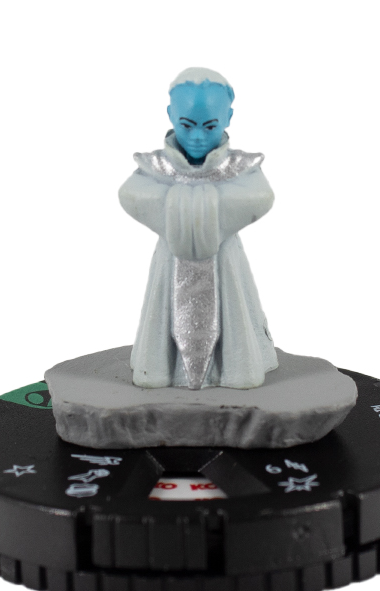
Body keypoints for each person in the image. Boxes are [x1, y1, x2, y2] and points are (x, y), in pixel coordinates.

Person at [119, 67, 277, 390]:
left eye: (210, 126)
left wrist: (202, 204)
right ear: (170, 116)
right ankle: (163, 367)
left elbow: (261, 196)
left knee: (233, 309)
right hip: (171, 262)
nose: (197, 137)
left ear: (228, 118)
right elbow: (131, 193)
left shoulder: (240, 168)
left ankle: (232, 368)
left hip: (224, 260)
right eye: (187, 125)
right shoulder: (155, 168)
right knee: (161, 311)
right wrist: (181, 203)